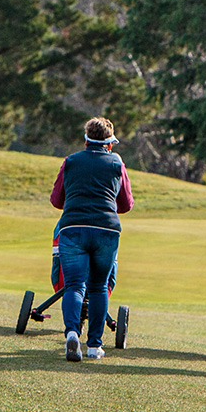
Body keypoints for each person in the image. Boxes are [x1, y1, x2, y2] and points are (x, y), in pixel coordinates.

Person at [49, 117, 133, 362]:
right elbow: (126, 204)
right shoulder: (117, 163)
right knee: (98, 287)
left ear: (86, 140)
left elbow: (56, 200)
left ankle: (72, 333)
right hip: (107, 231)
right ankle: (94, 346)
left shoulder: (71, 161)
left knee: (74, 286)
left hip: (73, 228)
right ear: (109, 144)